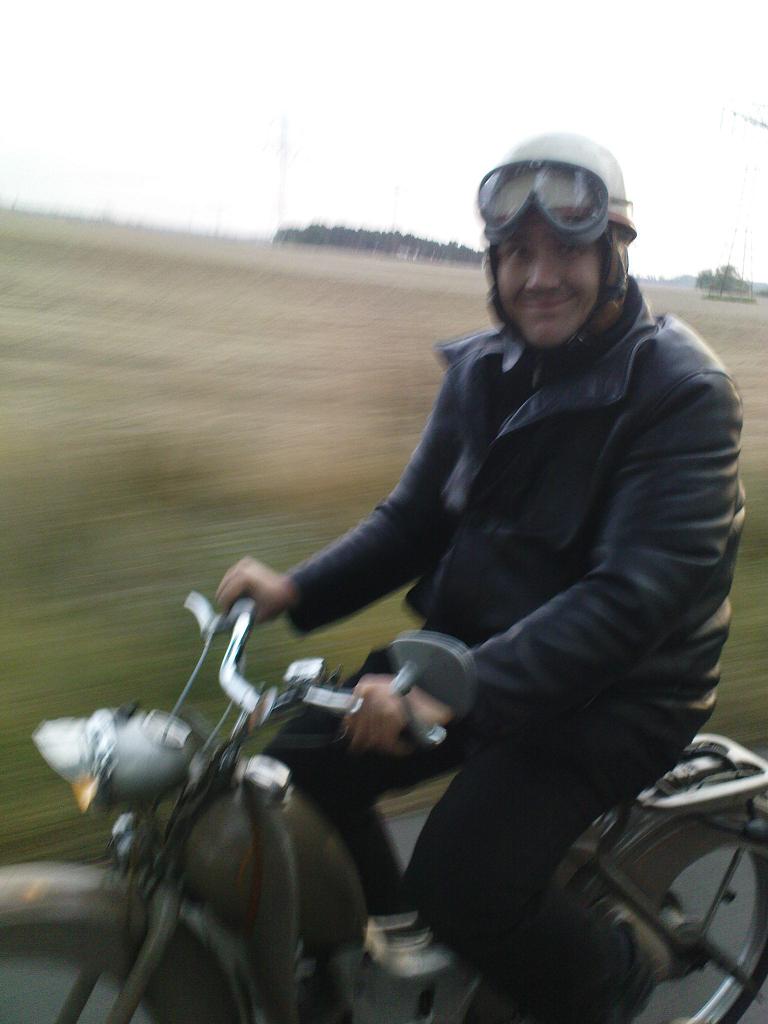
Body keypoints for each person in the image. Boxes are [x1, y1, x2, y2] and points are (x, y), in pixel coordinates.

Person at [216, 133, 744, 1023]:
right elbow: (412, 522)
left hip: (621, 693)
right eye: (517, 253)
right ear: (493, 266)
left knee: (464, 882)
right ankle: (392, 968)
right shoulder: (481, 371)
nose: (540, 276)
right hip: (470, 653)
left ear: (613, 256)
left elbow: (632, 600)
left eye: (568, 250)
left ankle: (615, 977)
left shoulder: (682, 393)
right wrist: (295, 591)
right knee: (293, 773)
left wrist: (454, 693)